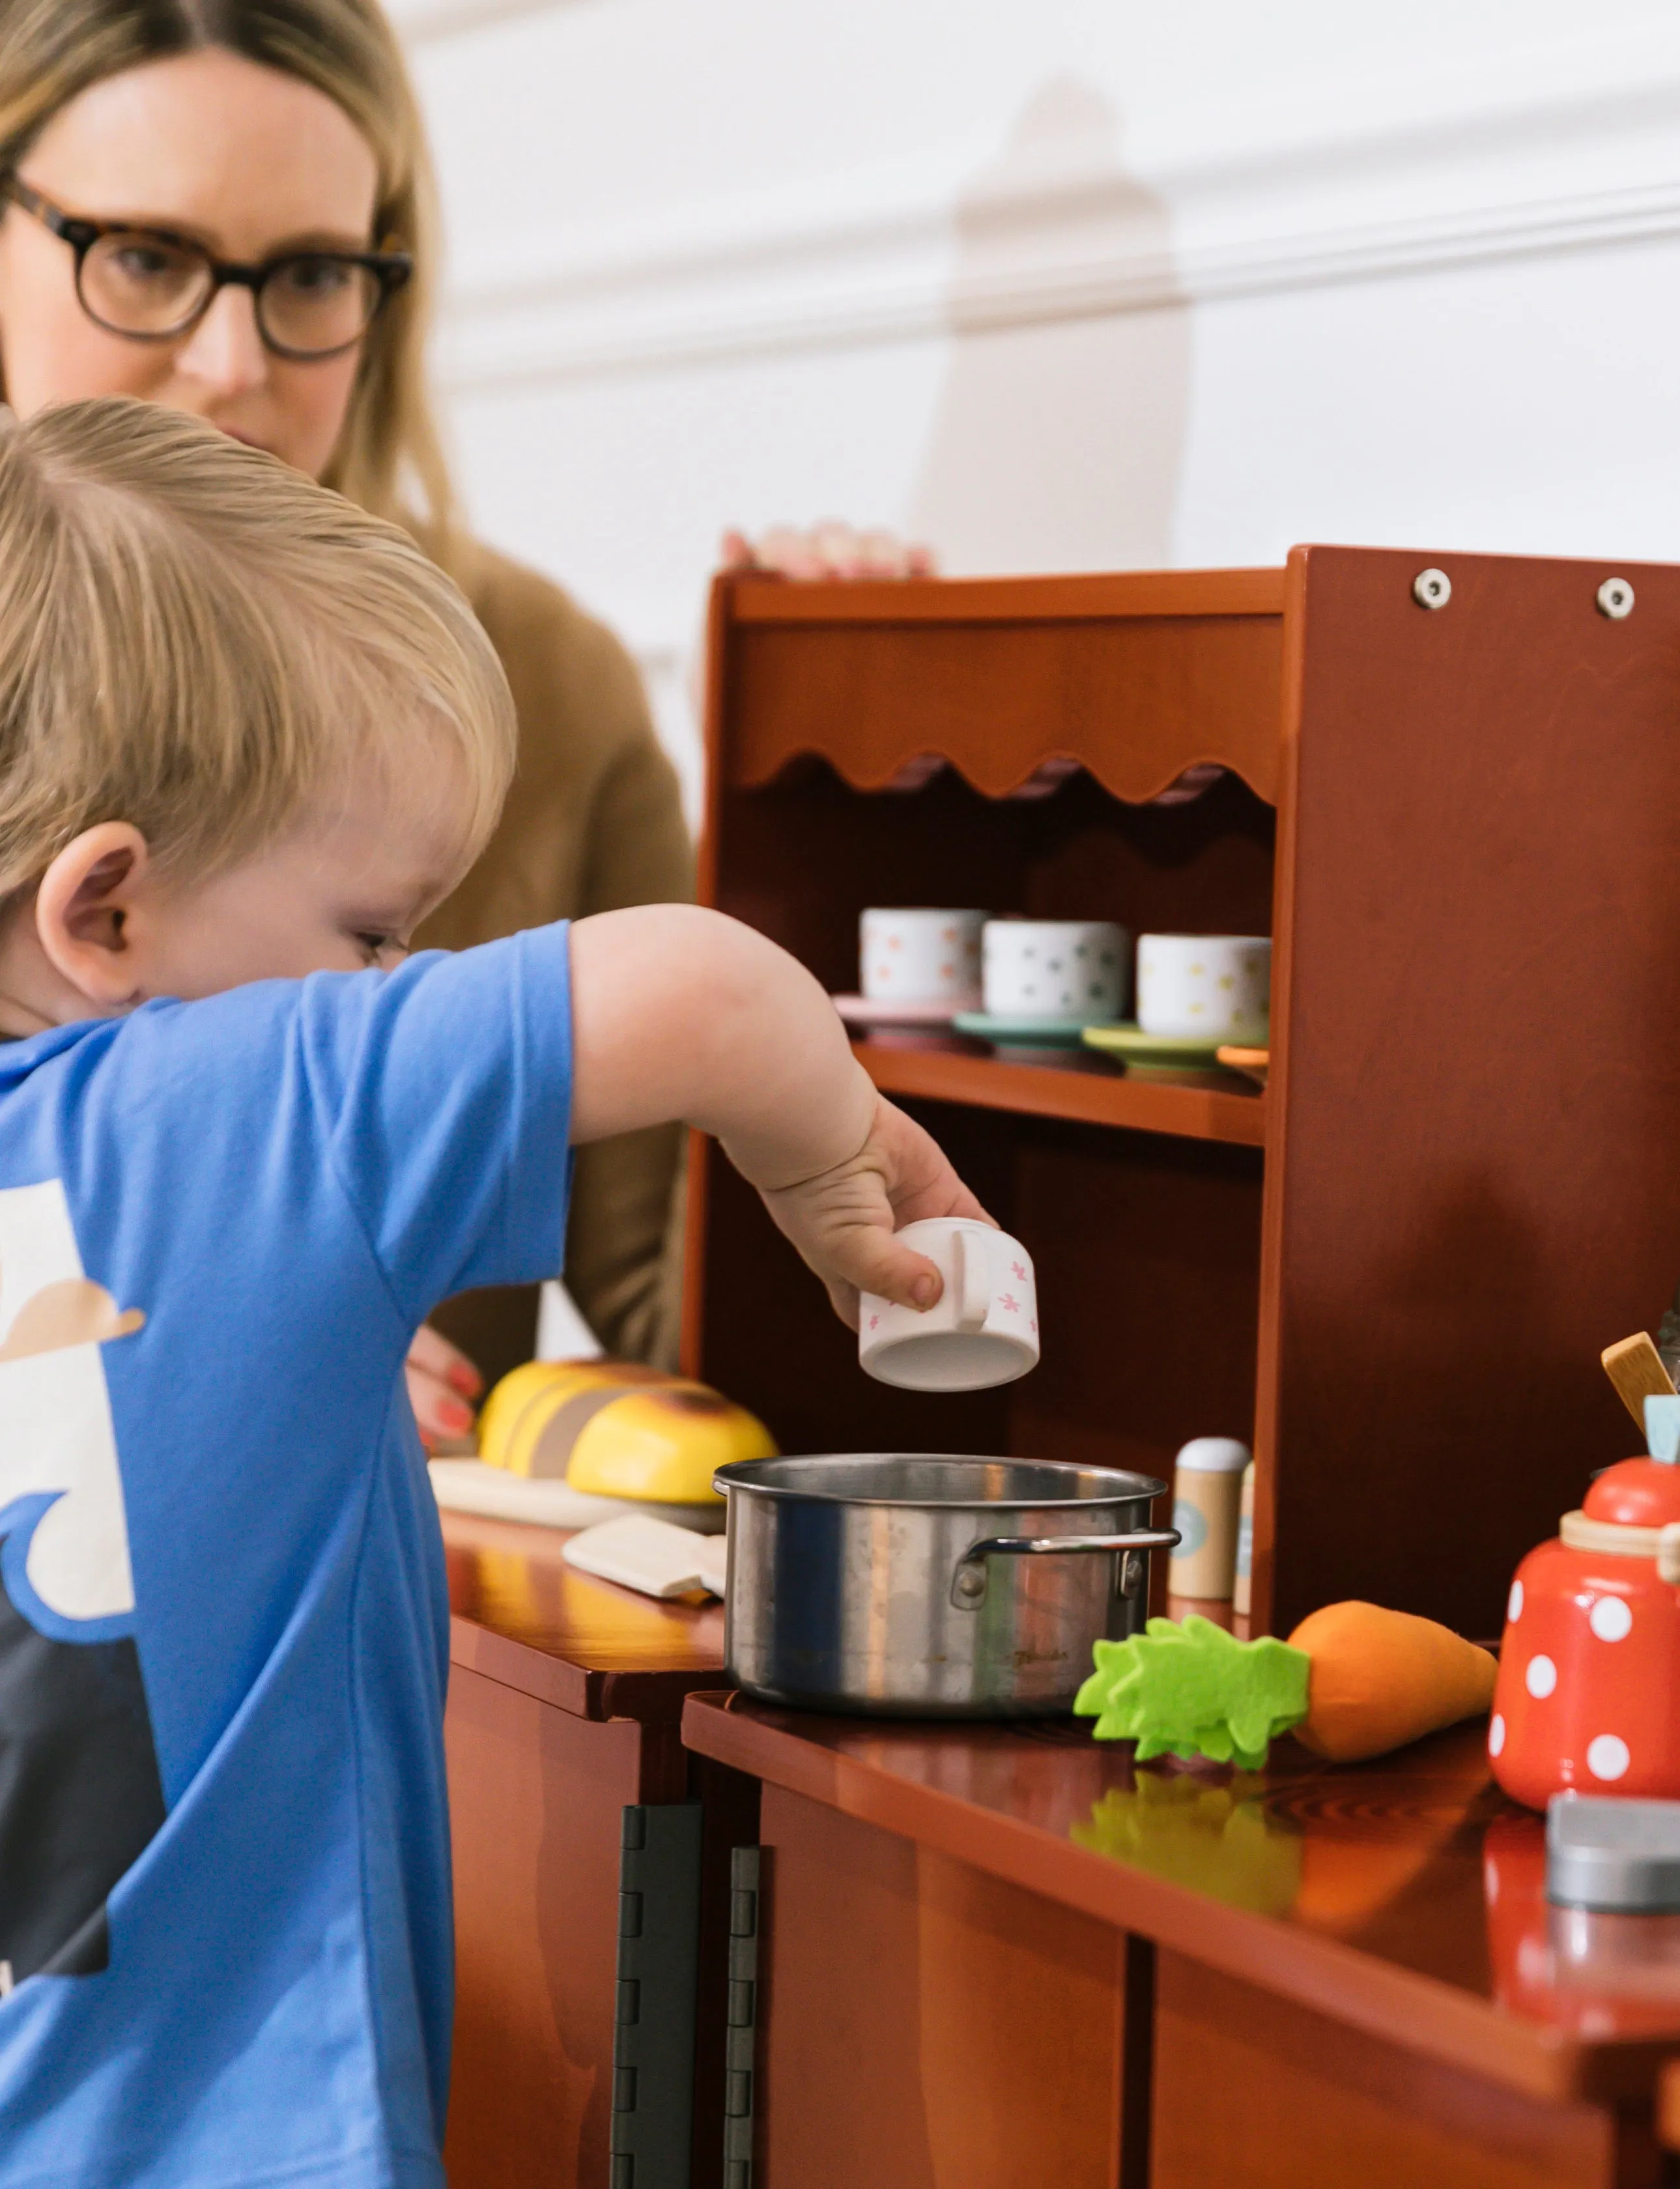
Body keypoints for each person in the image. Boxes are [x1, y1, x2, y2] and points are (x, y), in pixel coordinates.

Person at [0, 394, 976, 2179]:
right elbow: (710, 994)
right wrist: (841, 1182)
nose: (403, 986)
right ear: (109, 915)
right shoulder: (246, 1103)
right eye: (376, 939)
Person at [0, 0, 930, 1445]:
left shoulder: (537, 679)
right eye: (146, 257)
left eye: (309, 273)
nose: (235, 360)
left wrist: (839, 811)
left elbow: (686, 1320)